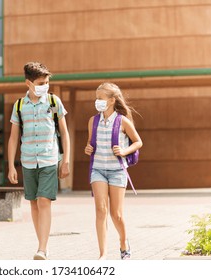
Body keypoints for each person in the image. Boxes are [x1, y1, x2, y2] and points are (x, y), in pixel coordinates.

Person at [7, 62, 70, 260]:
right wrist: (11, 165)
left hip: (49, 159)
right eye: (41, 82)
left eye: (47, 82)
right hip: (27, 161)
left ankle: (42, 248)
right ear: (29, 83)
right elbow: (13, 138)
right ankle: (42, 244)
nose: (46, 85)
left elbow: (65, 133)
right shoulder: (19, 106)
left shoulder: (54, 102)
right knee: (33, 203)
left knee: (44, 201)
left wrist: (66, 160)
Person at [84, 82, 143, 260]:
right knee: (100, 210)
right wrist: (88, 148)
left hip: (117, 171)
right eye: (96, 98)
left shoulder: (122, 121)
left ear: (111, 100)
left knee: (116, 214)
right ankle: (103, 254)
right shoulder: (93, 121)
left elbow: (138, 142)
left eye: (100, 98)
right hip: (98, 170)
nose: (97, 101)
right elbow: (90, 144)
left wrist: (124, 151)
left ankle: (124, 243)